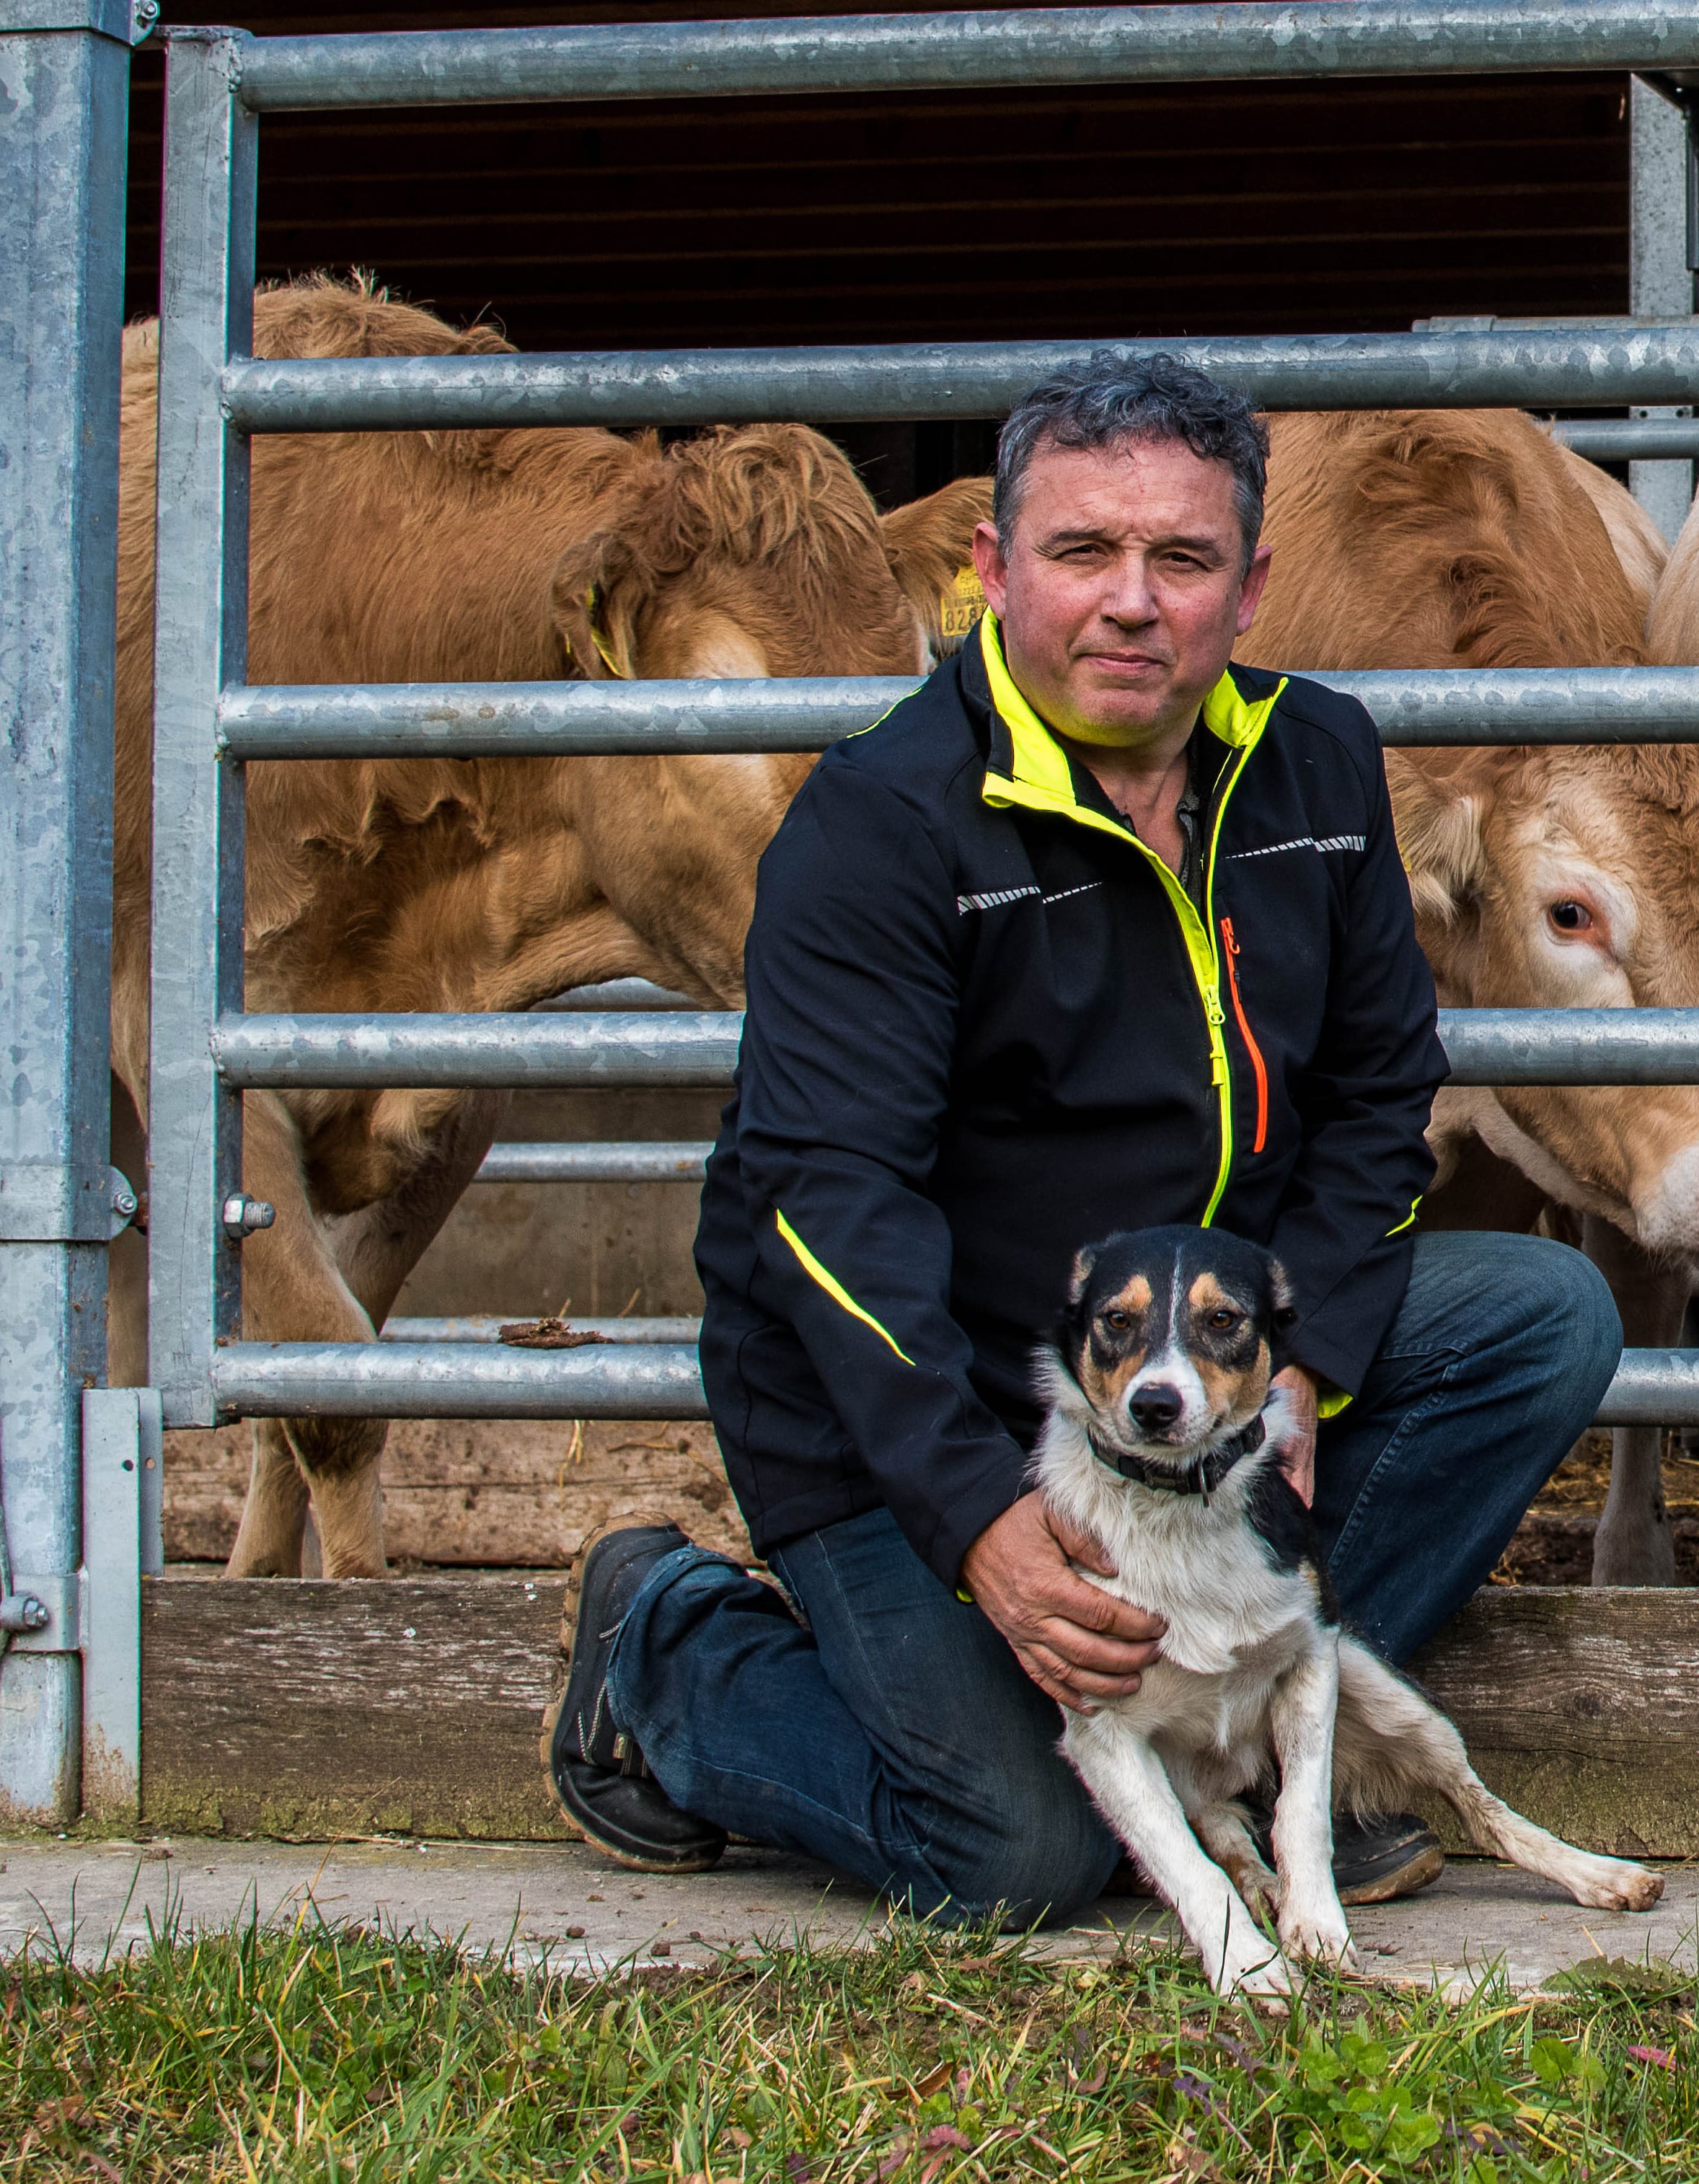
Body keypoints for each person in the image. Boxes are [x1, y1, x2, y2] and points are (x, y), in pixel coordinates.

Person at [542, 354, 1620, 1924]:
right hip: (917, 1388)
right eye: (1081, 553)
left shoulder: (1310, 765)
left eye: (1181, 559)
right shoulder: (884, 824)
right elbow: (830, 1203)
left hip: (1191, 1364)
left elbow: (1387, 1091)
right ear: (991, 574)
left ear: (1249, 588)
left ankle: (1244, 1740)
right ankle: (671, 1640)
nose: (1133, 602)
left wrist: (1297, 1357)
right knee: (1014, 1851)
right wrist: (981, 1518)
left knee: (1537, 1321)